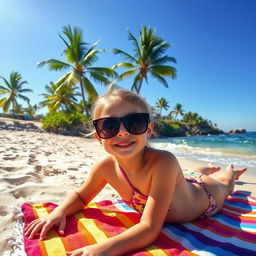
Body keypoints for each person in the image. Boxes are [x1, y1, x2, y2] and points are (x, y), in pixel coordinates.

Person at [24, 88, 247, 256]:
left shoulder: (164, 162)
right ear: (98, 136)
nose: (122, 132)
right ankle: (204, 169)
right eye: (109, 126)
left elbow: (150, 227)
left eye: (134, 123)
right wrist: (59, 211)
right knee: (190, 174)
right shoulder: (105, 167)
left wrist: (102, 250)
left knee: (224, 183)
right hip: (185, 184)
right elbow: (82, 196)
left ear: (148, 129)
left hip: (206, 198)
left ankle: (229, 170)